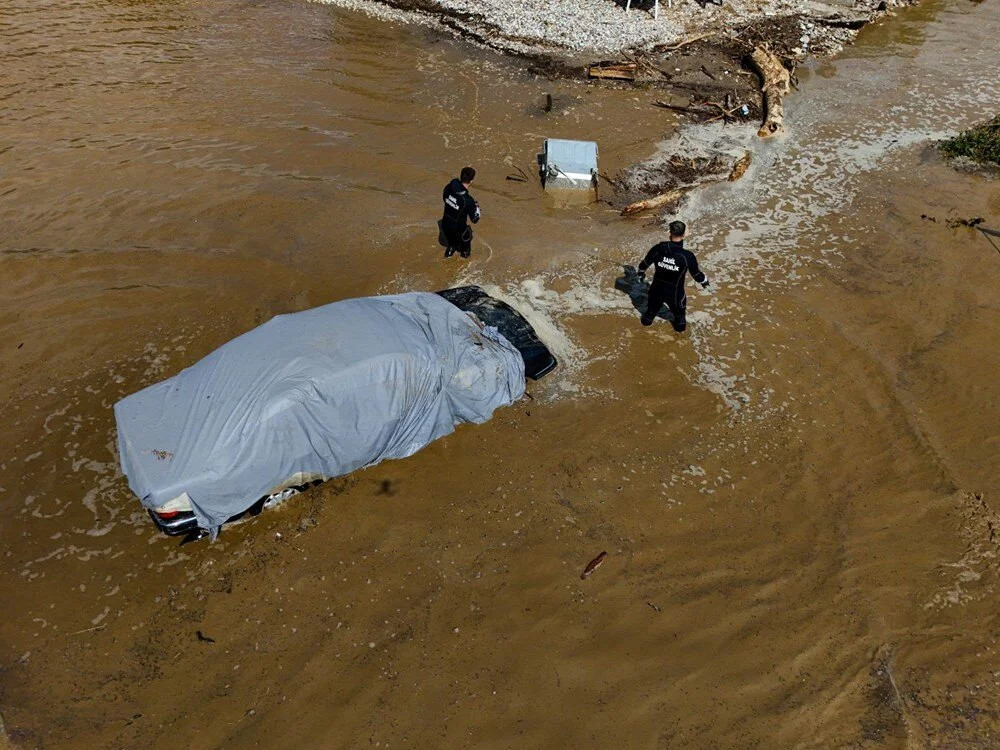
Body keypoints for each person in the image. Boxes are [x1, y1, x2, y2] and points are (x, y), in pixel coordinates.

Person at [636, 220, 709, 332]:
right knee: (680, 323)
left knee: (648, 317)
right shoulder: (687, 256)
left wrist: (640, 274)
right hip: (675, 294)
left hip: (656, 290)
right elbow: (697, 275)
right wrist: (705, 282)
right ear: (684, 235)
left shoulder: (658, 248)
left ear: (669, 233)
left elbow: (644, 264)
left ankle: (642, 336)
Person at [440, 166, 481, 258]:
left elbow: (444, 198)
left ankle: (449, 253)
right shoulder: (468, 200)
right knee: (466, 237)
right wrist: (477, 207)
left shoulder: (449, 187)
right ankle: (465, 259)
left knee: (452, 243)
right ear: (471, 181)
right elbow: (475, 219)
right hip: (458, 230)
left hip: (445, 225)